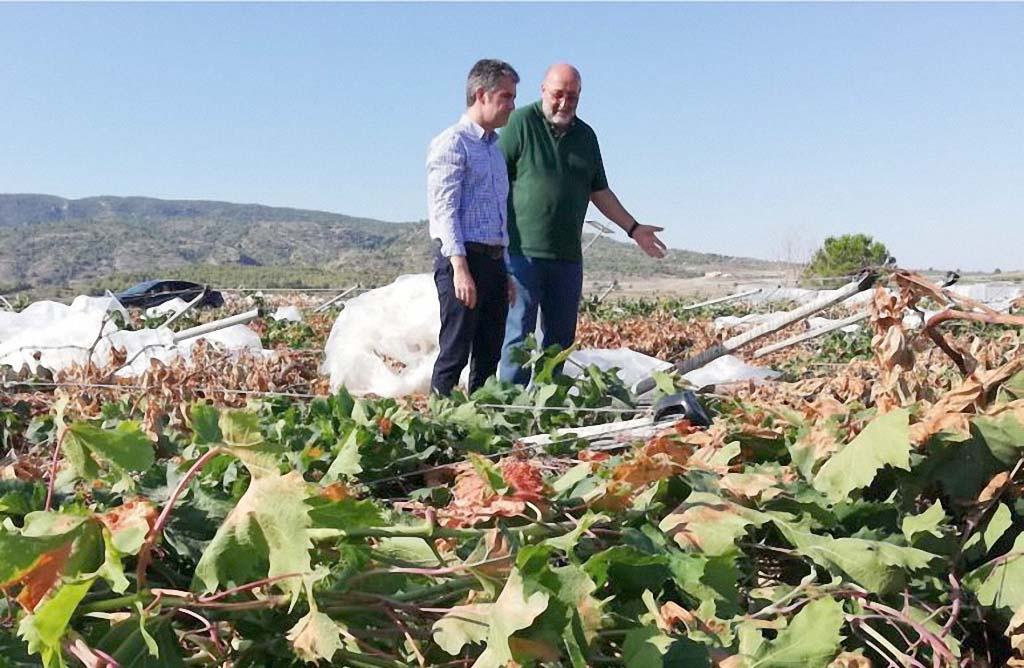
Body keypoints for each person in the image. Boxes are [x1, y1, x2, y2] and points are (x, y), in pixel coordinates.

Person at [498, 63, 667, 385]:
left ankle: (547, 403)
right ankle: (510, 407)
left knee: (560, 340)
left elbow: (598, 190)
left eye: (572, 97)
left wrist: (633, 228)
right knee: (518, 335)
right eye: (558, 95)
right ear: (543, 91)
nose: (564, 103)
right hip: (522, 253)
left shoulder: (586, 136)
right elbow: (495, 179)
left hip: (567, 257)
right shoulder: (521, 123)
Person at [427, 59, 519, 395]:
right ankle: (440, 422)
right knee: (455, 351)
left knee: (488, 352)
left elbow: (499, 216)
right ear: (481, 94)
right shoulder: (453, 143)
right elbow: (444, 210)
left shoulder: (495, 150)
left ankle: (481, 421)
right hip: (463, 259)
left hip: (493, 261)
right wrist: (460, 269)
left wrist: (505, 269)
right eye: (506, 97)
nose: (512, 105)